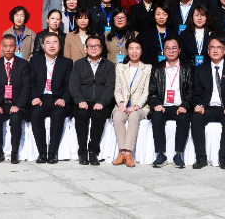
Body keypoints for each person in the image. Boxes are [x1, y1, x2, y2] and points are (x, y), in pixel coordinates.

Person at [190, 36, 225, 169]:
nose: (215, 50)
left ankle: (223, 158)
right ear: (208, 51)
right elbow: (196, 92)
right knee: (196, 118)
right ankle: (201, 157)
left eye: (219, 47)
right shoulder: (200, 69)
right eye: (212, 47)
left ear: (224, 51)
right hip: (207, 108)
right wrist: (199, 104)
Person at [68, 36, 116, 165]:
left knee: (98, 116)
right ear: (86, 48)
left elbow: (110, 87)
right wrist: (80, 100)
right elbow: (74, 86)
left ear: (102, 47)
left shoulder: (109, 65)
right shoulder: (78, 64)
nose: (93, 48)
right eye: (90, 46)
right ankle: (82, 151)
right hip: (82, 102)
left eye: (96, 46)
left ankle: (93, 151)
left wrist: (102, 102)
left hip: (101, 102)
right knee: (81, 115)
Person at [146, 38, 193, 168]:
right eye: (167, 48)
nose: (171, 51)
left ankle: (178, 154)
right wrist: (156, 104)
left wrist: (185, 105)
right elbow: (152, 92)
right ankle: (161, 154)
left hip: (180, 106)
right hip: (163, 106)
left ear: (179, 50)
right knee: (156, 116)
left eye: (174, 48)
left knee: (183, 118)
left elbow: (191, 91)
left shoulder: (188, 68)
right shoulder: (157, 68)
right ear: (163, 50)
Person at [28, 32, 72, 164]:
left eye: (55, 42)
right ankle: (42, 153)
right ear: (43, 45)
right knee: (35, 113)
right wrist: (34, 97)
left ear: (60, 45)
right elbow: (31, 82)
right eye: (48, 43)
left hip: (57, 99)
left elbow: (69, 84)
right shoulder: (35, 61)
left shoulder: (67, 62)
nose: (51, 46)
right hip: (41, 99)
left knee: (58, 114)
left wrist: (64, 98)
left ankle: (52, 153)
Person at [0, 36, 31, 164]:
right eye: (5, 46)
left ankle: (14, 153)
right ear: (1, 47)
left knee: (16, 119)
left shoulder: (23, 64)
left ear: (15, 47)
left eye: (11, 46)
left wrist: (18, 105)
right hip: (2, 104)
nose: (8, 49)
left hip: (17, 104)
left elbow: (26, 88)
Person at [109, 38, 151, 167]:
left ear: (142, 51)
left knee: (133, 116)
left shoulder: (147, 68)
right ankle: (122, 152)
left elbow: (146, 92)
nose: (134, 51)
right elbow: (117, 89)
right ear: (127, 51)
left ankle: (128, 153)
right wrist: (121, 103)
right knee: (117, 116)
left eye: (137, 48)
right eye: (131, 48)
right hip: (123, 106)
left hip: (140, 107)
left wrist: (136, 106)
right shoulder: (120, 68)